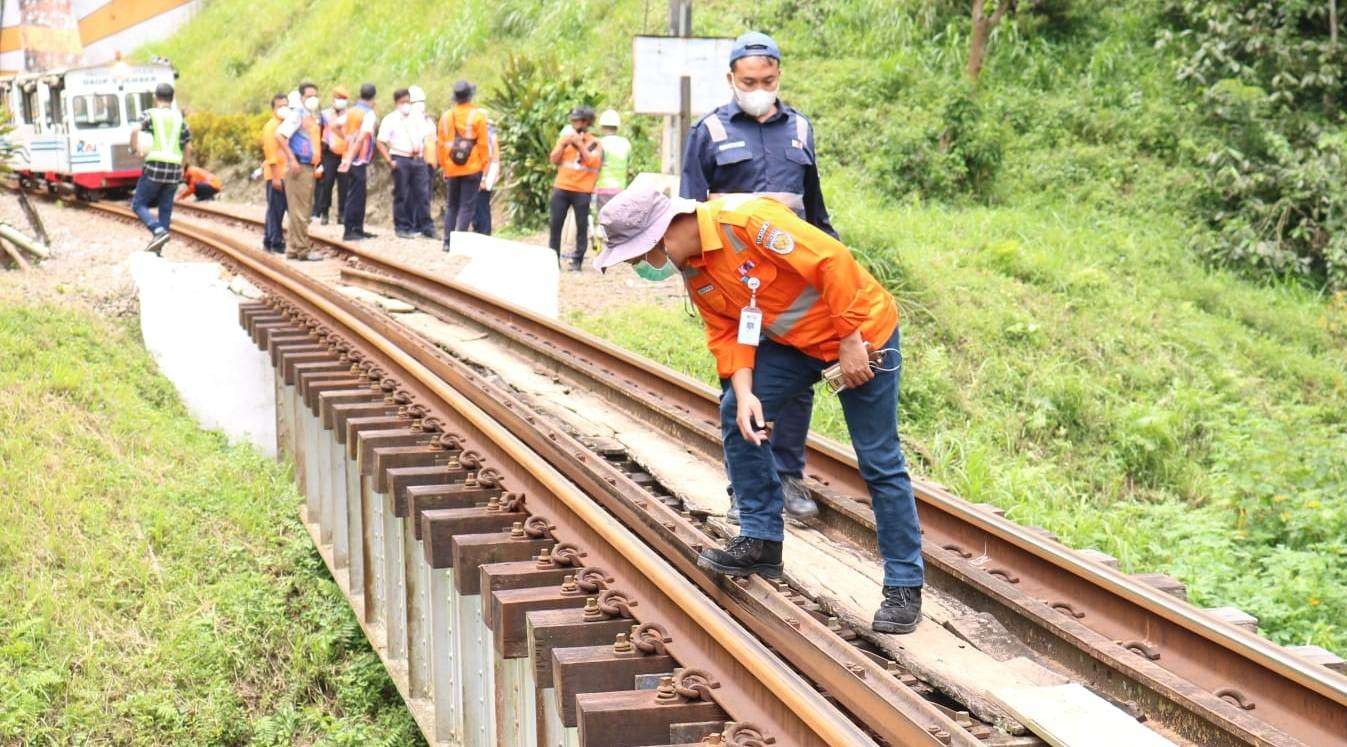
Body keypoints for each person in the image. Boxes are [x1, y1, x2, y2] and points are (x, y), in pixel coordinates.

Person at [594, 185, 924, 634]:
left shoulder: (746, 223)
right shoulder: (695, 270)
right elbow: (728, 334)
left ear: (662, 235)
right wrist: (747, 392)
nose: (640, 266)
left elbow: (832, 262)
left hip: (861, 334)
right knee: (737, 412)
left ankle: (904, 585)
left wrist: (849, 340)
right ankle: (761, 538)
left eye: (637, 256)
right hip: (797, 346)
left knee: (878, 458)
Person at [681, 31, 835, 526]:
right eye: (749, 81)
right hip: (737, 284)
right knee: (739, 379)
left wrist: (836, 266)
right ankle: (745, 486)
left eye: (767, 80)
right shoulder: (709, 132)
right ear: (731, 79)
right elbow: (688, 213)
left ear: (779, 76)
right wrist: (693, 279)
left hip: (794, 283)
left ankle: (787, 474)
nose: (759, 88)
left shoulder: (801, 130)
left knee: (797, 378)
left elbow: (815, 209)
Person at [129, 82, 191, 255]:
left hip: (154, 166)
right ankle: (159, 250)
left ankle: (157, 231)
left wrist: (134, 149)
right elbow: (188, 147)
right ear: (172, 99)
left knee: (138, 204)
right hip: (173, 171)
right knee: (165, 208)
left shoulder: (150, 115)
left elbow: (135, 130)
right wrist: (182, 167)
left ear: (156, 98)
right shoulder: (180, 119)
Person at [548, 106, 602, 271]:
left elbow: (592, 162)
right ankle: (553, 260)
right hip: (561, 188)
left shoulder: (595, 143)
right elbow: (554, 159)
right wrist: (562, 145)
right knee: (555, 225)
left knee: (581, 227)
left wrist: (580, 145)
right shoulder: (565, 139)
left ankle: (577, 261)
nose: (573, 123)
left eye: (576, 120)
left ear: (586, 122)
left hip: (582, 190)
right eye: (572, 120)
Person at [437, 79, 489, 252]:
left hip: (452, 167)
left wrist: (445, 166)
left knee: (452, 205)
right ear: (470, 96)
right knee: (467, 206)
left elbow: (441, 144)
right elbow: (483, 145)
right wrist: (484, 166)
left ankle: (447, 242)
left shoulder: (446, 117)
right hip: (472, 167)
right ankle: (459, 243)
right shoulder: (478, 116)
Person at [377, 87, 435, 239]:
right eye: (403, 102)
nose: (406, 105)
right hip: (400, 158)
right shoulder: (390, 119)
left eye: (408, 102)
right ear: (396, 103)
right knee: (402, 194)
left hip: (418, 159)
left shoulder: (417, 118)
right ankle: (402, 227)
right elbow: (380, 142)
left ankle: (426, 226)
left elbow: (427, 135)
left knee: (422, 193)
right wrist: (390, 161)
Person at [276, 84, 323, 261]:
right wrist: (292, 159)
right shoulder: (297, 115)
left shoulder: (310, 116)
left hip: (307, 167)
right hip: (299, 168)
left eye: (315, 95)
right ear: (301, 97)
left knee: (298, 210)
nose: (313, 99)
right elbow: (279, 136)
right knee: (301, 211)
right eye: (309, 95)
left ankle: (293, 248)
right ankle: (302, 249)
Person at [339, 83, 378, 241]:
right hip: (357, 159)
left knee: (355, 194)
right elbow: (362, 138)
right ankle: (351, 230)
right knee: (356, 195)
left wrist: (346, 140)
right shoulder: (368, 114)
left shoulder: (351, 111)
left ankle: (357, 228)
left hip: (350, 157)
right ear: (374, 97)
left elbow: (334, 126)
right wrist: (350, 156)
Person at [313, 85, 350, 226]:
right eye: (339, 98)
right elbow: (319, 134)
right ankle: (324, 212)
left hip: (345, 154)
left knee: (344, 185)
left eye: (344, 98)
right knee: (326, 184)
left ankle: (342, 214)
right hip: (329, 154)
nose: (341, 101)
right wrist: (319, 156)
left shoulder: (349, 114)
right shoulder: (324, 114)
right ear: (333, 98)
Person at [261, 93, 289, 253]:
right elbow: (271, 154)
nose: (283, 109)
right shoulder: (272, 126)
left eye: (285, 105)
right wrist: (276, 177)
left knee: (275, 209)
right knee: (276, 210)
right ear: (273, 109)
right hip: (275, 174)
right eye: (280, 106)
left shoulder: (285, 125)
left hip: (283, 173)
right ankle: (276, 242)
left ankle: (268, 239)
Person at [471, 113, 500, 235]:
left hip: (484, 175)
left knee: (481, 204)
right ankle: (482, 231)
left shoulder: (487, 136)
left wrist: (483, 178)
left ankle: (483, 232)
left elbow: (489, 158)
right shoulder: (492, 135)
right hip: (486, 174)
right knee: (481, 204)